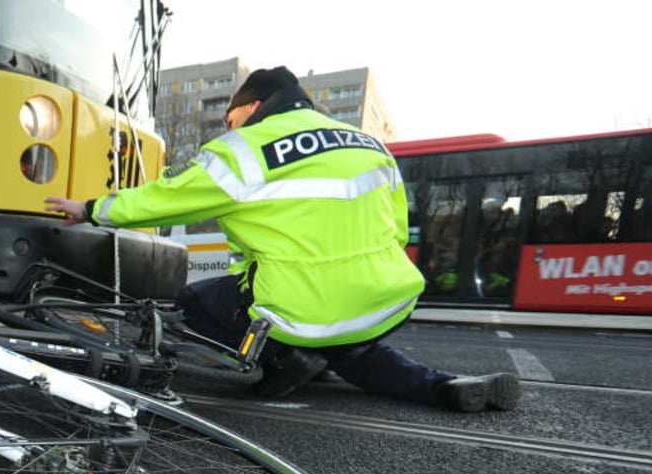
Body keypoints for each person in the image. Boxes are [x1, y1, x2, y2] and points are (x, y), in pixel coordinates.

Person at [45, 66, 520, 412]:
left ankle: (283, 357)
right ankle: (443, 387)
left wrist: (91, 209)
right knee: (352, 352)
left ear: (251, 107)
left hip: (299, 308)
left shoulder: (247, 147)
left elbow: (169, 199)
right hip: (384, 301)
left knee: (192, 300)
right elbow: (396, 229)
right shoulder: (368, 145)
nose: (228, 128)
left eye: (230, 118)